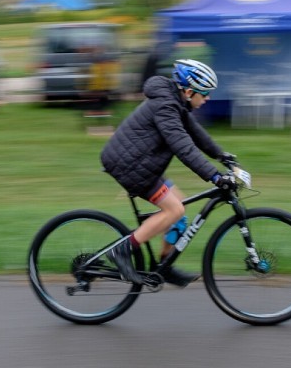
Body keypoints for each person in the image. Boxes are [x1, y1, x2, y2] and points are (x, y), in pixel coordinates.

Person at [100, 58, 237, 287]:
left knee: (179, 209)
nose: (208, 98)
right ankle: (121, 252)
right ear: (189, 91)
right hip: (130, 166)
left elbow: (196, 133)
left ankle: (164, 266)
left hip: (141, 163)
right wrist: (214, 176)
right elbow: (183, 147)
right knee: (174, 209)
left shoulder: (176, 103)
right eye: (205, 93)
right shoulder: (166, 107)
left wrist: (222, 156)